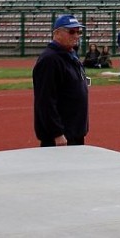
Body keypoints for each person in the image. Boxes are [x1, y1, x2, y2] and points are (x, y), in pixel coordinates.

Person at [32, 14, 89, 147]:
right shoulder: (50, 60)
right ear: (57, 33)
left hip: (75, 132)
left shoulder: (71, 55)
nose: (76, 35)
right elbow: (45, 100)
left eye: (78, 32)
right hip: (61, 137)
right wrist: (56, 133)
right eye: (71, 32)